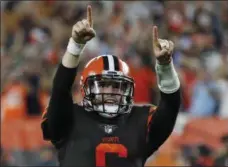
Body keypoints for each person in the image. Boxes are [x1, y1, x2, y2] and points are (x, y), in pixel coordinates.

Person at [41, 5, 181, 167]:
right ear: (86, 88)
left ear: (127, 89)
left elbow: (170, 107)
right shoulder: (70, 117)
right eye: (104, 85)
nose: (111, 91)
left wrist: (165, 66)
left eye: (117, 86)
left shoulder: (140, 119)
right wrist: (75, 46)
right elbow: (60, 90)